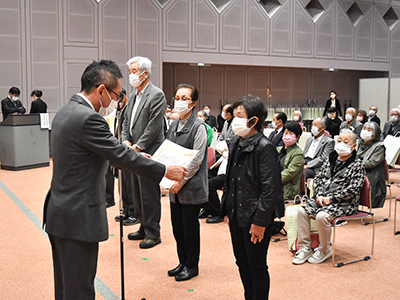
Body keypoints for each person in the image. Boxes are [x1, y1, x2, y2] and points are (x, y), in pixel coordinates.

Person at [42, 59, 187, 300]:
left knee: (66, 287)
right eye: (117, 95)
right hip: (77, 217)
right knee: (80, 290)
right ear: (101, 90)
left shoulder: (66, 111)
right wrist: (164, 170)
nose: (116, 102)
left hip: (59, 212)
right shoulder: (89, 119)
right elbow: (120, 156)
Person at [221, 95, 283, 300]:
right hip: (237, 212)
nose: (234, 121)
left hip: (255, 216)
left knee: (256, 265)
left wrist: (260, 222)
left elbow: (270, 189)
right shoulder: (237, 142)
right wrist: (227, 210)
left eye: (239, 116)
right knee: (242, 262)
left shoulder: (264, 147)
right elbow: (231, 181)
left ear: (254, 121)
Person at [292, 130, 365, 265]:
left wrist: (331, 199)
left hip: (345, 203)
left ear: (353, 146)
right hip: (322, 198)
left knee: (322, 216)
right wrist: (319, 195)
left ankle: (325, 249)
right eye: (339, 141)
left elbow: (354, 188)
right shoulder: (330, 159)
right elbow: (318, 179)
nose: (341, 144)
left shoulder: (357, 164)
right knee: (302, 211)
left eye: (346, 142)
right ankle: (304, 247)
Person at [121, 56, 166, 249]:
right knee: (135, 191)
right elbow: (125, 121)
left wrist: (137, 146)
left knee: (148, 193)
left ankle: (153, 233)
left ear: (145, 73)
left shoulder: (156, 95)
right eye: (130, 71)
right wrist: (125, 141)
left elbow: (154, 126)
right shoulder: (132, 96)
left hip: (149, 151)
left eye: (133, 71)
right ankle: (142, 226)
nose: (130, 75)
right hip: (133, 150)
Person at [166, 83, 208, 282]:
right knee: (177, 227)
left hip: (189, 186)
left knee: (190, 229)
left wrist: (180, 182)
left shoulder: (198, 126)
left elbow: (197, 159)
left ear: (194, 103)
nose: (179, 101)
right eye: (177, 97)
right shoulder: (173, 124)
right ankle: (182, 261)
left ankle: (192, 265)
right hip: (174, 185)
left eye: (184, 98)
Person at [200, 104, 234, 224]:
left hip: (230, 166)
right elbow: (221, 140)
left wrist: (224, 146)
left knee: (210, 184)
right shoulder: (225, 123)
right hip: (222, 159)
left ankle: (217, 212)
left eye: (226, 111)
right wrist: (223, 146)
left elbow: (232, 143)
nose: (223, 114)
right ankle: (207, 207)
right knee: (203, 176)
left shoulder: (237, 125)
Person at [357, 122, 386, 208]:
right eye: (364, 129)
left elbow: (371, 163)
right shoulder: (360, 143)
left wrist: (353, 165)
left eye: (369, 130)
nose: (365, 131)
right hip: (358, 170)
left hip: (371, 174)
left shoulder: (379, 146)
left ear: (375, 133)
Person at [277, 121, 304, 200]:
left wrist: (271, 180)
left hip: (287, 191)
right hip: (274, 185)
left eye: (291, 134)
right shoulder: (278, 149)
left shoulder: (298, 154)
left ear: (297, 137)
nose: (287, 136)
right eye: (285, 133)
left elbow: (289, 173)